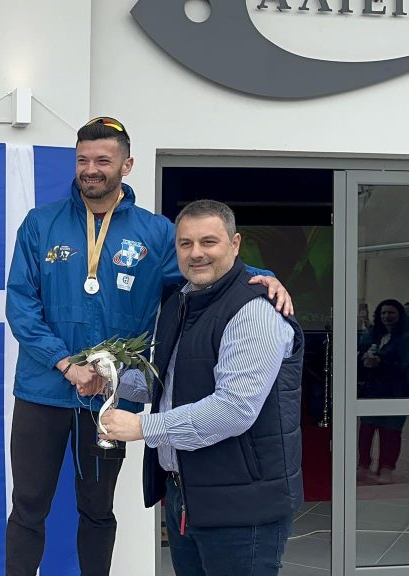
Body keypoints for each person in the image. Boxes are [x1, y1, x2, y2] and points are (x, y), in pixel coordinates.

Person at [4, 118, 292, 576]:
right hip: (42, 391)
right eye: (83, 160)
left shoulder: (155, 233)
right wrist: (65, 364)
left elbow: (207, 262)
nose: (91, 169)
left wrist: (267, 276)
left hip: (108, 399)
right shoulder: (40, 225)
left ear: (127, 164)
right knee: (28, 505)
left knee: (97, 509)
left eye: (103, 160)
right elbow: (21, 305)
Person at [100, 199, 305, 576]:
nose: (196, 253)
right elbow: (169, 382)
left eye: (209, 242)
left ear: (235, 244)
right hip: (189, 497)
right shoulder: (182, 303)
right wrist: (108, 378)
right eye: (186, 243)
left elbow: (234, 410)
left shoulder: (254, 311)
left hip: (243, 509)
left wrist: (144, 426)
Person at [357, 299, 409, 484]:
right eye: (383, 313)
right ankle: (363, 467)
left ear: (399, 315)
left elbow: (407, 366)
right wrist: (364, 361)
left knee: (390, 432)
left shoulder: (407, 338)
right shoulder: (371, 336)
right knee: (366, 430)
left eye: (391, 313)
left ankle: (386, 469)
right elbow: (359, 358)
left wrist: (381, 362)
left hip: (396, 391)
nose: (387, 316)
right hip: (372, 391)